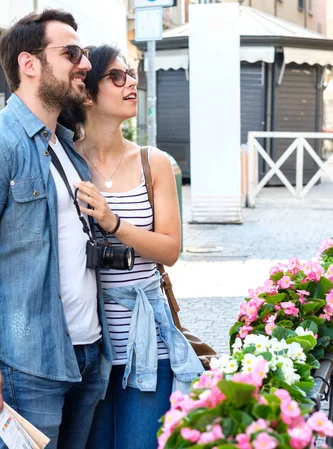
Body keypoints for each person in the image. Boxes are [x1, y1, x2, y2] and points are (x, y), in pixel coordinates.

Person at [0, 9, 113, 448]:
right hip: (30, 363)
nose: (85, 64)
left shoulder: (65, 146)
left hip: (88, 352)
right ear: (29, 63)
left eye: (87, 53)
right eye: (72, 53)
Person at [58, 44, 204, 449]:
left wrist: (113, 222)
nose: (131, 84)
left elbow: (170, 250)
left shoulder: (153, 162)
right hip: (88, 349)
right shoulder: (65, 163)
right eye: (117, 77)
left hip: (148, 345)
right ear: (87, 94)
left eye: (132, 75)